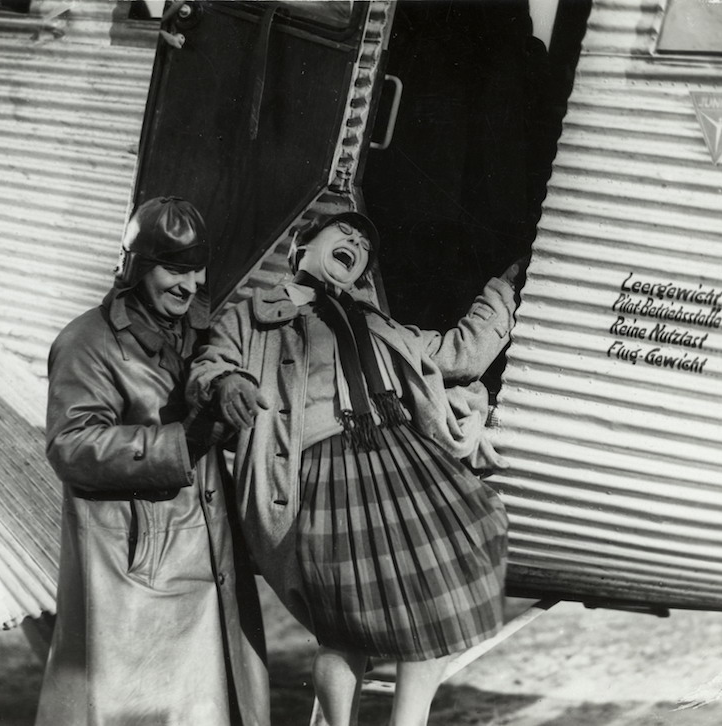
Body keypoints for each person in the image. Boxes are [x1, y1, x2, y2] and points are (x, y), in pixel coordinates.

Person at [187, 211, 522, 726]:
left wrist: (501, 291)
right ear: (301, 246)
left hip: (405, 465)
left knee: (439, 611)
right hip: (326, 473)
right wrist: (226, 383)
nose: (356, 243)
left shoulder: (378, 324)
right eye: (344, 233)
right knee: (345, 629)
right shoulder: (252, 317)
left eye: (364, 244)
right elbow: (211, 363)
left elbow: (461, 353)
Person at [35, 196, 270, 726]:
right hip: (137, 567)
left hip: (208, 554)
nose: (188, 285)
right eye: (174, 270)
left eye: (196, 269)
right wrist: (180, 442)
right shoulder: (86, 343)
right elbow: (70, 446)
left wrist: (232, 393)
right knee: (139, 710)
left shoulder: (198, 335)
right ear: (137, 268)